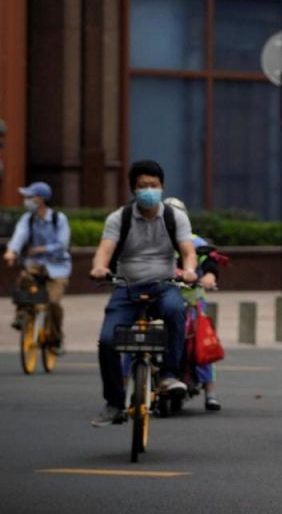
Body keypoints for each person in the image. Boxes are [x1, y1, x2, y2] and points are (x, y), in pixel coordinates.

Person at [87, 160, 198, 427]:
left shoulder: (175, 217)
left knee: (175, 311)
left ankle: (170, 375)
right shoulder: (119, 218)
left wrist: (190, 270)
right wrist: (99, 267)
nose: (149, 190)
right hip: (126, 288)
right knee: (107, 340)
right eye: (142, 186)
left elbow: (187, 251)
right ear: (133, 190)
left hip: (164, 285)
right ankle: (114, 403)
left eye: (154, 186)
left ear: (162, 187)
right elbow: (105, 249)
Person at [160, 197, 224, 411]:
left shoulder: (195, 242)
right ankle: (130, 390)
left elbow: (211, 262)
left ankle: (210, 391)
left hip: (192, 303)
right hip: (158, 300)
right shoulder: (153, 239)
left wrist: (209, 276)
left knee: (201, 341)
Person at [4, 181, 71, 351]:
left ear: (41, 199)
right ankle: (22, 315)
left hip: (58, 268)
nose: (26, 200)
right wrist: (11, 251)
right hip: (35, 265)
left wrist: (43, 249)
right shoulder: (28, 219)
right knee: (24, 282)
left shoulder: (59, 219)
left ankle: (56, 338)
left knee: (53, 303)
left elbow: (63, 244)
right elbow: (19, 236)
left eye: (29, 196)